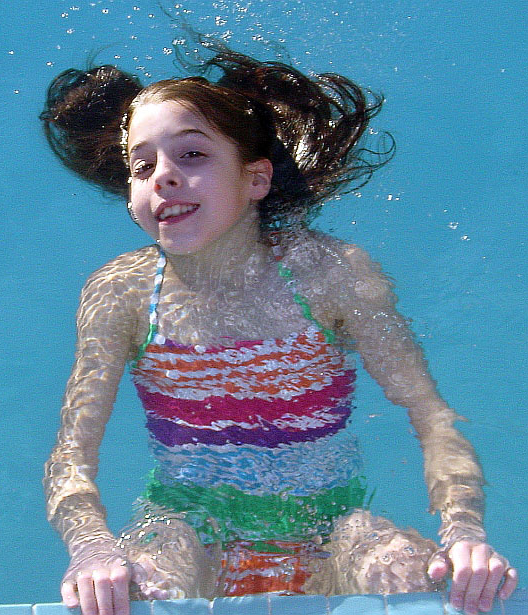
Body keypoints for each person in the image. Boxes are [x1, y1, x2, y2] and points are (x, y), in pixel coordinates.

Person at [41, 45, 517, 615]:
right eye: (142, 167)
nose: (162, 176)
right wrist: (91, 548)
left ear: (257, 178)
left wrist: (464, 532)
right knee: (128, 585)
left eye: (191, 154)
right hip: (188, 528)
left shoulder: (330, 274)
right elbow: (70, 454)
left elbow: (430, 414)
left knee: (421, 575)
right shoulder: (121, 292)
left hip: (329, 527)